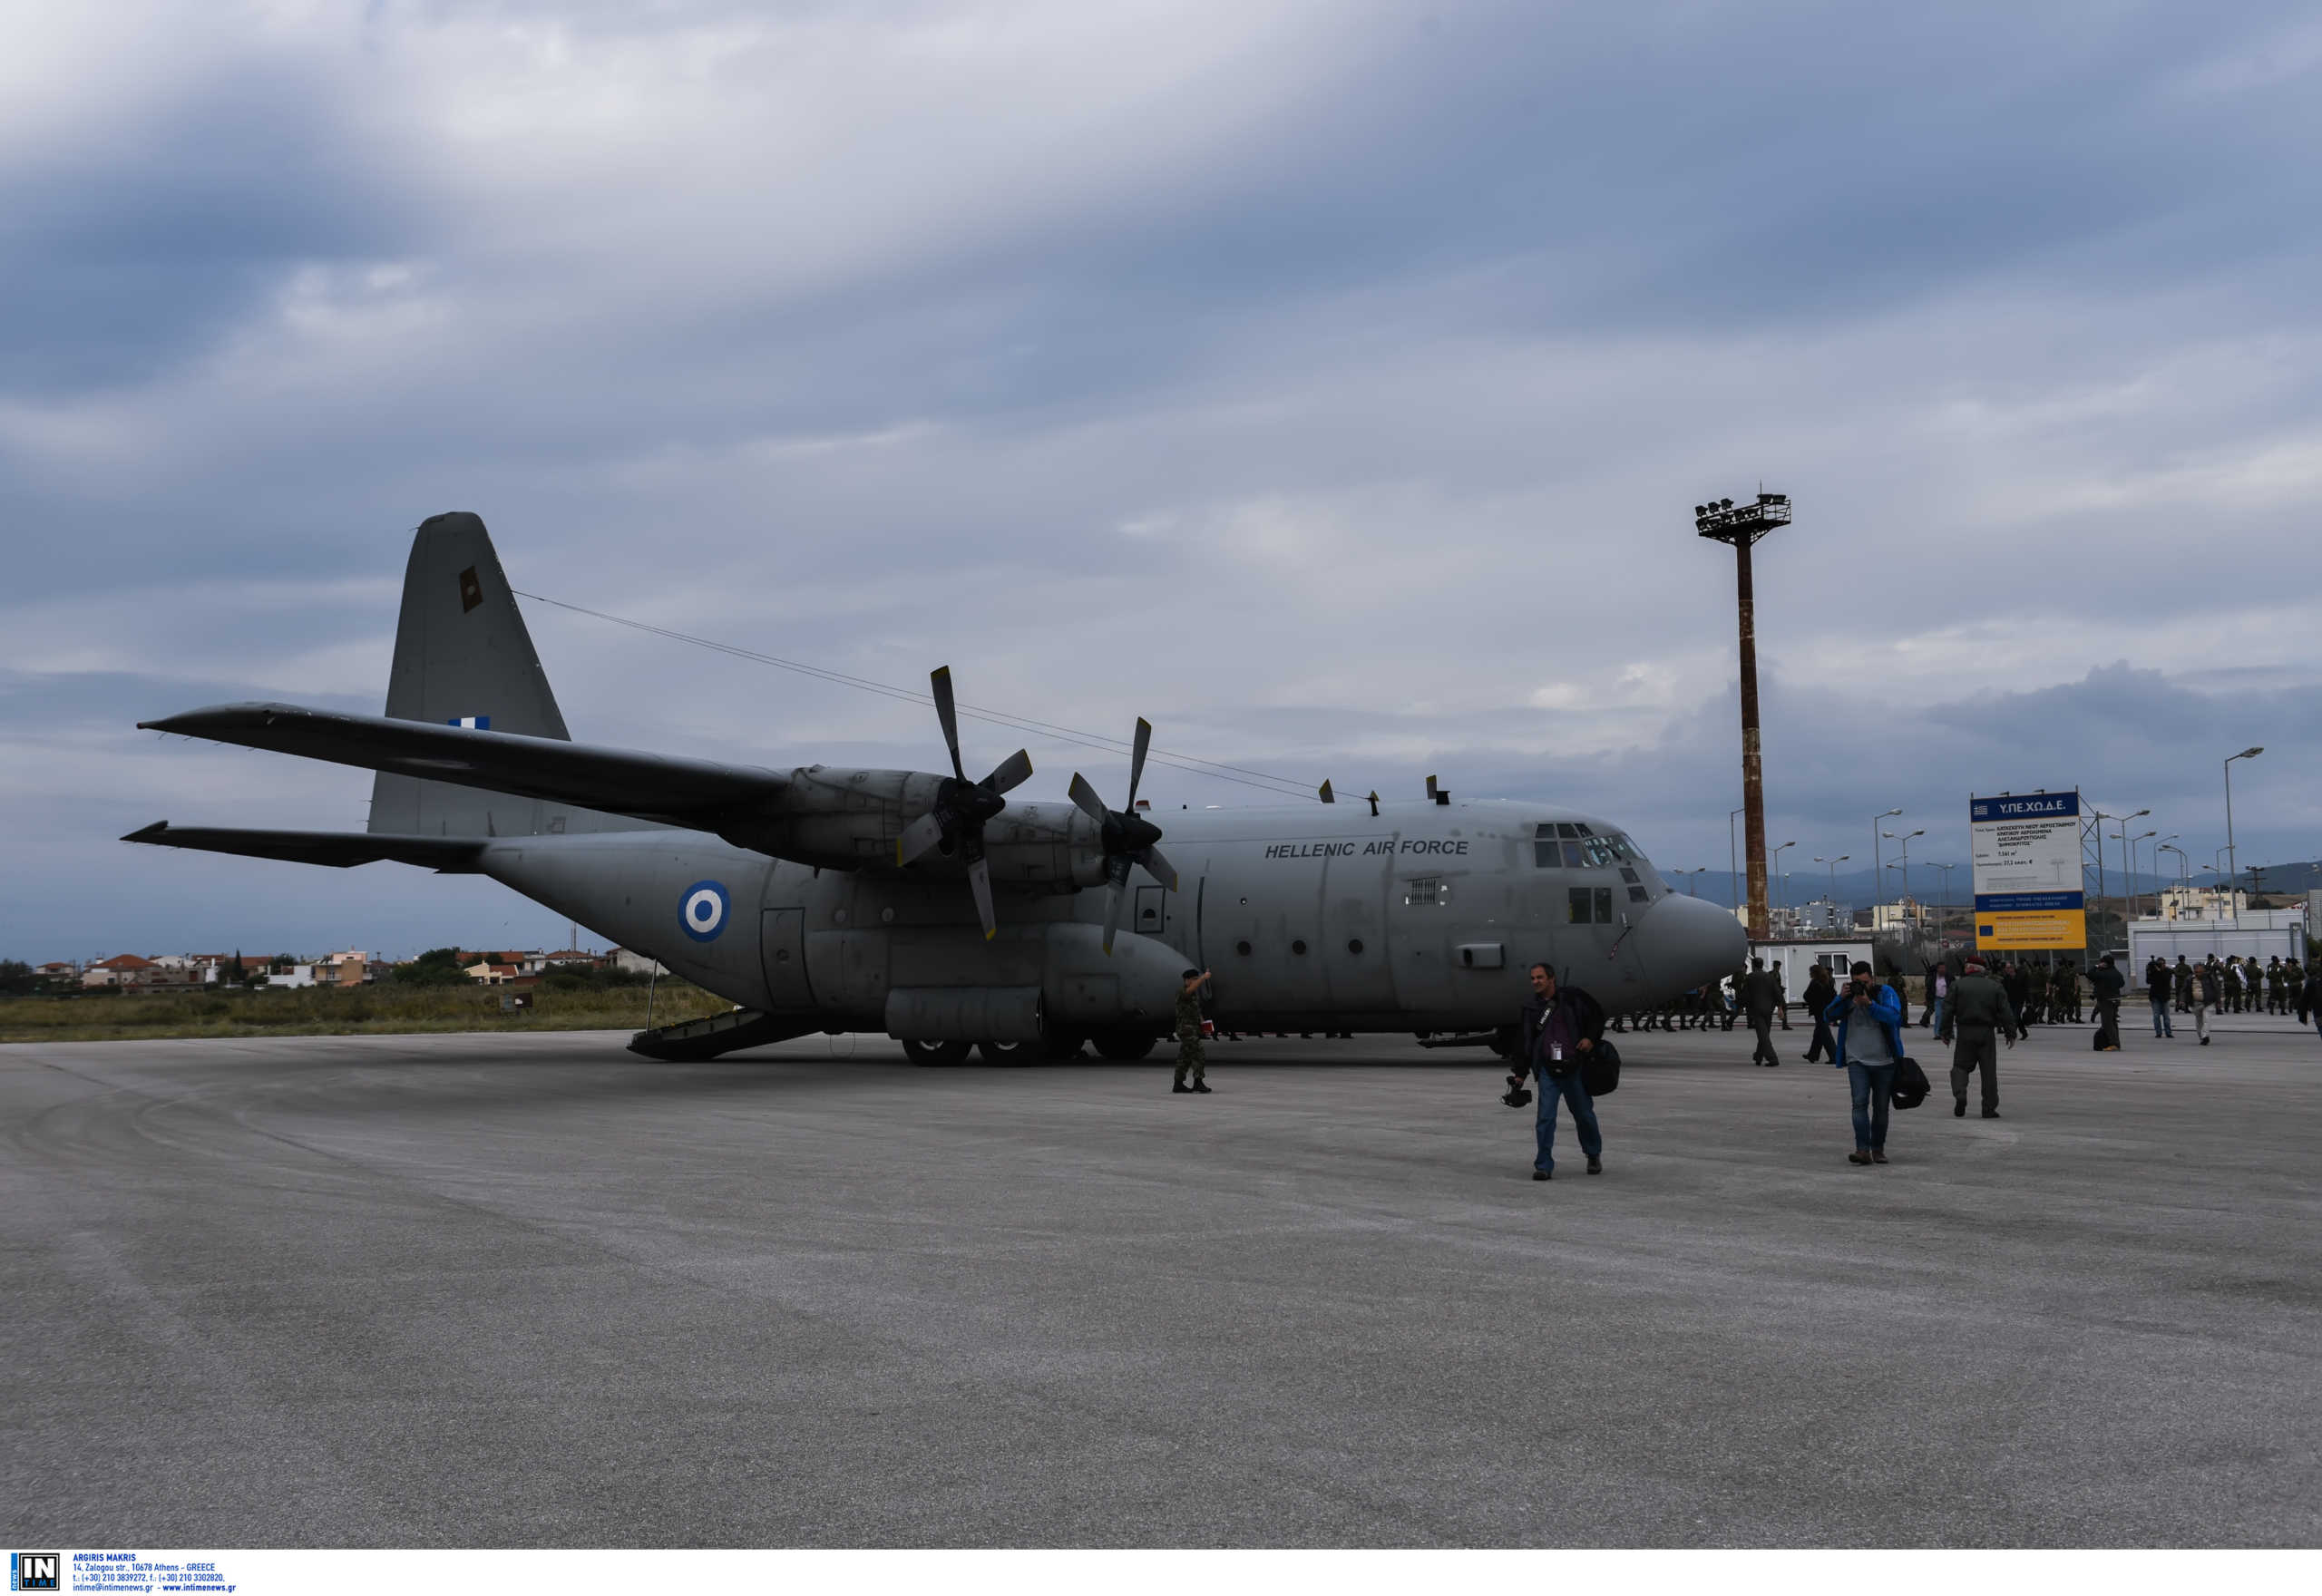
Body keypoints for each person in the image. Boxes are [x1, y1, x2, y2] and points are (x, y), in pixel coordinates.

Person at [1518, 962, 1605, 1180]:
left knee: (1584, 1115)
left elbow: (1597, 1016)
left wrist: (1590, 1039)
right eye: (1533, 978)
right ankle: (1543, 1165)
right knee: (1545, 1118)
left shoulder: (1573, 998)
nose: (1535, 982)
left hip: (1573, 1066)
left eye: (1540, 978)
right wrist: (1520, 1073)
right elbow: (1525, 1041)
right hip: (1548, 1069)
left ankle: (1593, 1153)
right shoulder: (1531, 1009)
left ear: (1551, 979)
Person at [1824, 960, 1905, 1164]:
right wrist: (1841, 997)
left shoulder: (1885, 992)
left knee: (1881, 1108)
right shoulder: (1848, 997)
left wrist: (1870, 1003)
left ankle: (1878, 1149)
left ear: (1873, 978)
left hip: (1884, 1061)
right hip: (1856, 1060)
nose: (1862, 986)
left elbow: (1894, 1018)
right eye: (1858, 982)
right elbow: (1828, 1016)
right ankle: (1862, 1150)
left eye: (1866, 982)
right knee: (1859, 1104)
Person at [1941, 954, 2020, 1117]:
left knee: (1960, 1067)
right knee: (1988, 1072)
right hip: (1986, 1033)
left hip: (1965, 1032)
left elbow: (1947, 1010)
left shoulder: (1957, 985)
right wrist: (2011, 1033)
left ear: (1970, 968)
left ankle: (1960, 1094)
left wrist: (1946, 1033)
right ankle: (1989, 1108)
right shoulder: (1995, 986)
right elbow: (2006, 1012)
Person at [1172, 968, 1213, 1093]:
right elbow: (1190, 990)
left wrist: (1203, 1022)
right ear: (1187, 980)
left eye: (1197, 979)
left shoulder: (1193, 994)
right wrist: (1203, 978)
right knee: (1199, 1054)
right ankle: (1198, 1082)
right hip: (1186, 1029)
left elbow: (1196, 1010)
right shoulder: (1182, 992)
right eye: (1194, 979)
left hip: (1192, 1029)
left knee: (1185, 1057)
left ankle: (1178, 1084)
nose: (1196, 982)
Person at [1742, 956, 1781, 1066]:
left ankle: (1773, 1058)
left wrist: (1744, 1006)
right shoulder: (1770, 977)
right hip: (1769, 1009)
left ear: (1753, 966)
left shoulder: (1750, 978)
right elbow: (1777, 992)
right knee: (1764, 1033)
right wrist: (1780, 1007)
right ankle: (1758, 1056)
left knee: (1763, 1035)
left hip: (1756, 1009)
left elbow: (1746, 995)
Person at [1800, 962, 1839, 1063]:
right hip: (1827, 1009)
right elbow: (1834, 995)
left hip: (1818, 1010)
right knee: (1819, 1033)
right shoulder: (1828, 981)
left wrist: (1813, 1001)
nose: (1809, 974)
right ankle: (1813, 1055)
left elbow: (1806, 996)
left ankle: (1834, 1056)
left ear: (1814, 973)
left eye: (1810, 972)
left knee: (1825, 1034)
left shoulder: (1814, 982)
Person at [2090, 953, 2126, 1045]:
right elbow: (2122, 984)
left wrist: (2096, 966)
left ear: (2104, 963)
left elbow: (2090, 974)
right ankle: (2116, 1042)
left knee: (2107, 1023)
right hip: (2116, 1000)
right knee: (2113, 1022)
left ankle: (2113, 1043)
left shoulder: (2103, 973)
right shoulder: (2117, 972)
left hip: (2106, 1000)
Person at [2144, 955, 2174, 1038]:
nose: (2161, 965)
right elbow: (2148, 981)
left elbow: (2166, 979)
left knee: (2166, 1017)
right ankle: (2158, 1033)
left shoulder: (2168, 971)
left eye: (2162, 964)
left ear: (2165, 964)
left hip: (2165, 996)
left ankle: (2168, 1032)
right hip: (2155, 996)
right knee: (2156, 1016)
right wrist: (2148, 971)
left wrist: (2160, 971)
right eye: (2159, 964)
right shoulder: (2153, 971)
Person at [2192, 958, 2220, 1046]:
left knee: (2206, 1020)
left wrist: (2218, 1001)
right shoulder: (2190, 979)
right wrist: (2182, 1000)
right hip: (2196, 1003)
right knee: (2199, 1021)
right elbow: (2184, 990)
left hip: (2208, 1002)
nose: (2198, 974)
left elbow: (2216, 989)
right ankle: (2202, 1037)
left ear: (2204, 971)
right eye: (2196, 972)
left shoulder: (2209, 978)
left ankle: (2205, 1036)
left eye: (2200, 972)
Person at [2054, 957, 2081, 1023]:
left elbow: (2053, 980)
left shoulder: (2059, 971)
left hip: (2060, 990)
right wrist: (2076, 990)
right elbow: (2076, 982)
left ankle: (2059, 1014)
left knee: (2063, 1004)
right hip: (2070, 990)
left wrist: (2055, 988)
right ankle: (2069, 1016)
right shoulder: (2073, 972)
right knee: (2076, 1004)